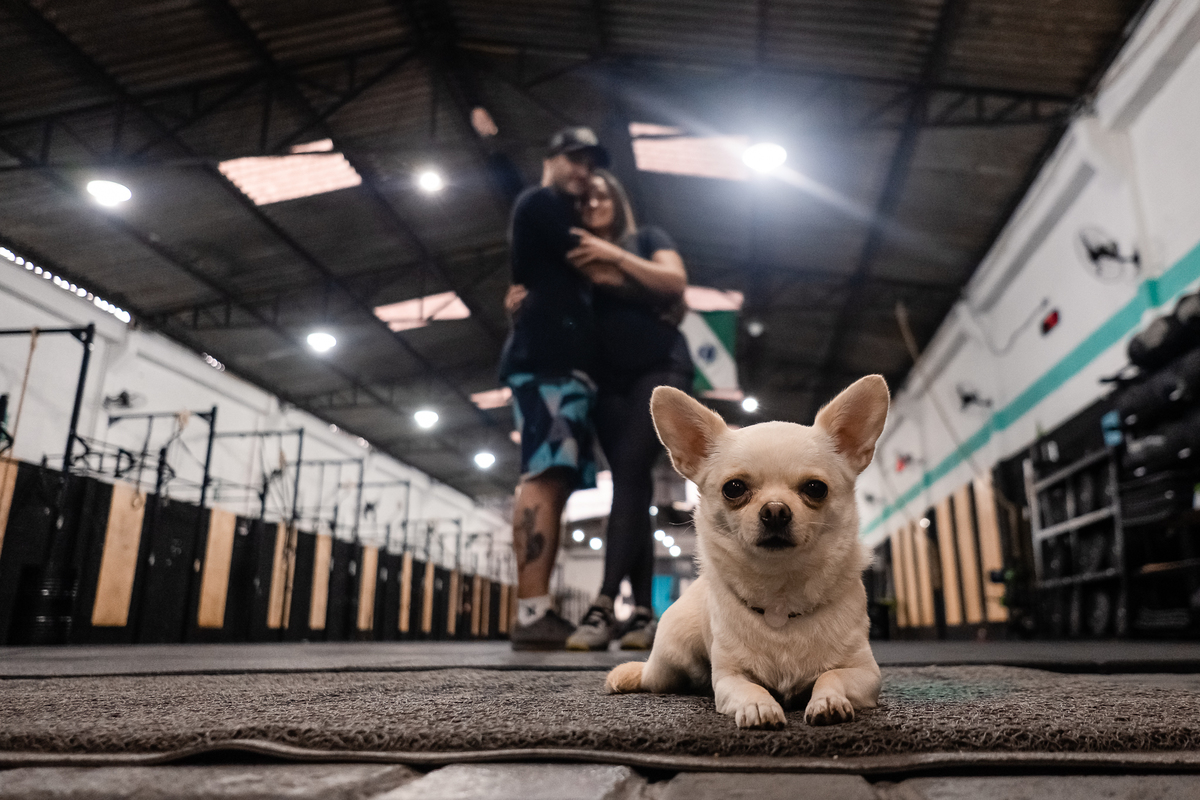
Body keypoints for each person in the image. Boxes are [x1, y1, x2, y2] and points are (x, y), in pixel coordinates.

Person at [561, 169, 693, 651]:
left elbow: (674, 281)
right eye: (584, 198)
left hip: (659, 366)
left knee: (634, 470)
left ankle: (602, 604)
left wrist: (615, 256)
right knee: (629, 484)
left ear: (616, 199)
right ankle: (641, 613)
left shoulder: (646, 238)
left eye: (602, 193)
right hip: (606, 378)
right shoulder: (571, 258)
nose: (594, 201)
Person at [501, 127, 610, 651]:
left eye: (590, 162)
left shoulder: (555, 214)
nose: (583, 170)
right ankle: (530, 612)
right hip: (546, 365)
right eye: (574, 158)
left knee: (557, 480)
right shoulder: (542, 202)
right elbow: (593, 259)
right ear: (550, 157)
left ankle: (536, 609)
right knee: (544, 476)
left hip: (563, 369)